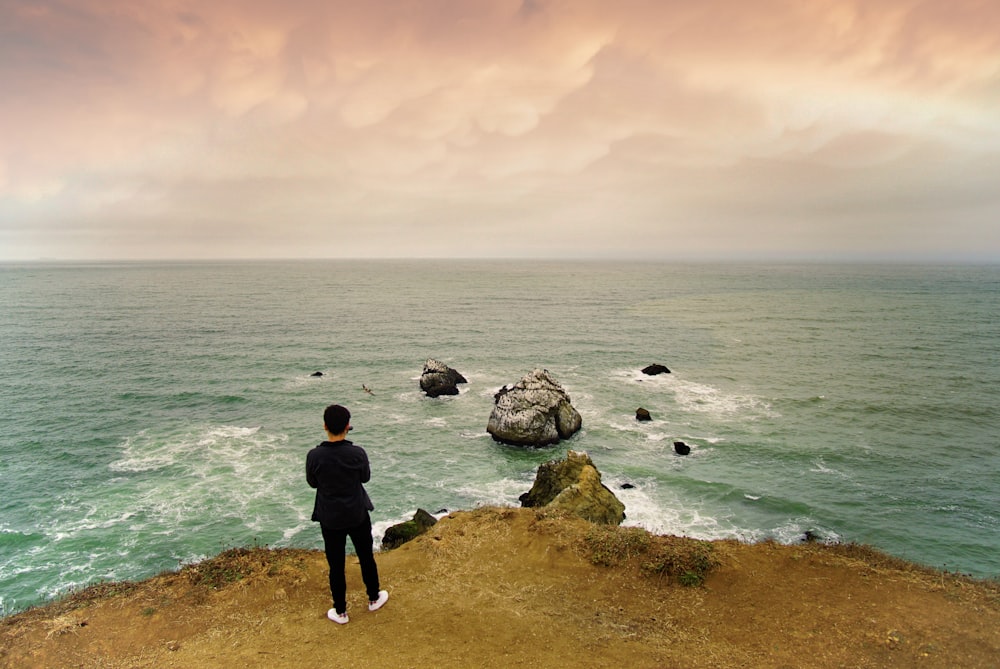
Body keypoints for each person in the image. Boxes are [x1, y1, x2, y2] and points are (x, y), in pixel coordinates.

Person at [306, 404, 388, 624]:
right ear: (347, 426)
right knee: (365, 556)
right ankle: (373, 598)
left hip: (330, 517)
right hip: (357, 513)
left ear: (325, 426)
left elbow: (312, 483)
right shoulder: (357, 453)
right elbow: (365, 478)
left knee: (336, 565)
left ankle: (341, 611)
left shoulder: (314, 456)